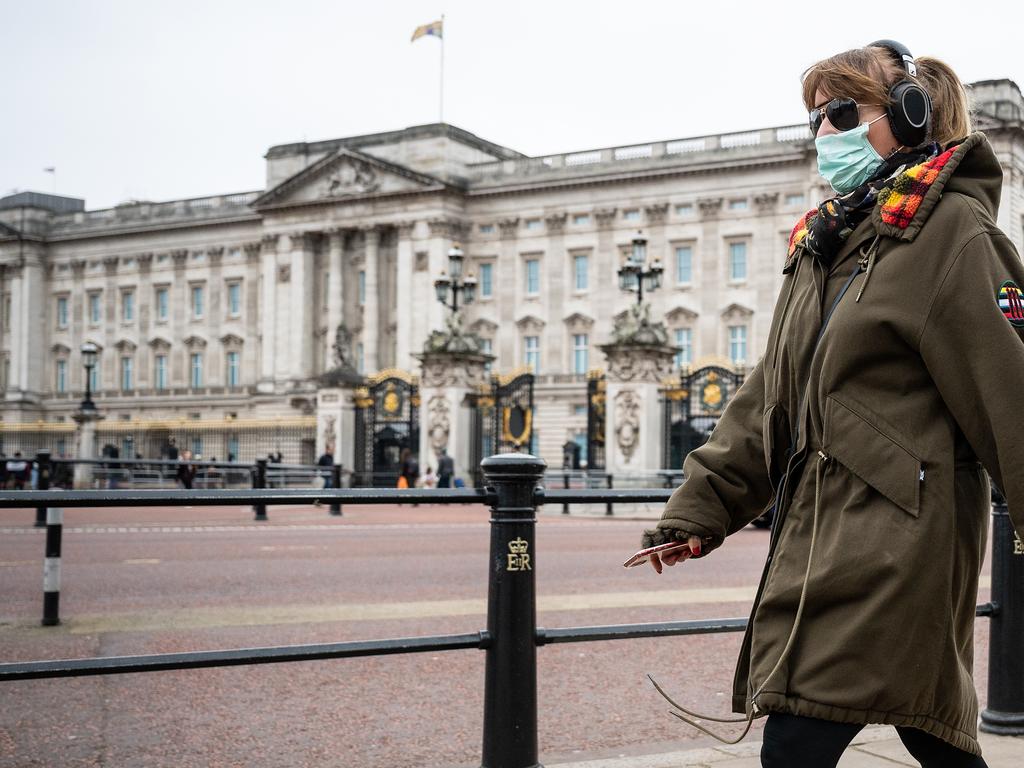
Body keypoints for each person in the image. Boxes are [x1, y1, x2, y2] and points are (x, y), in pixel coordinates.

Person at [639, 41, 1023, 768]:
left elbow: (1013, 396)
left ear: (909, 116)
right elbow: (770, 395)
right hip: (821, 530)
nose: (824, 132)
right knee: (925, 730)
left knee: (797, 738)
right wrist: (700, 509)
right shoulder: (826, 243)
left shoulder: (954, 236)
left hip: (902, 542)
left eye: (841, 112)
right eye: (815, 117)